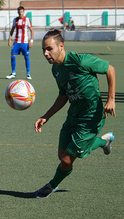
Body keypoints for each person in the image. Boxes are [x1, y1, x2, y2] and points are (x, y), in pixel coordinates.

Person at [33, 29, 116, 198]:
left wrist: (111, 99)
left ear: (61, 46)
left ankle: (51, 186)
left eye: (49, 49)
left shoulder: (80, 60)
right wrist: (46, 116)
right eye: (43, 49)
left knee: (66, 161)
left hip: (91, 117)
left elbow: (111, 69)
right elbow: (63, 95)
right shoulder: (56, 70)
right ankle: (103, 141)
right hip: (73, 115)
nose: (45, 53)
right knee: (62, 155)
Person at [6, 6, 34, 80]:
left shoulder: (27, 20)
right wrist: (9, 39)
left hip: (25, 42)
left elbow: (31, 30)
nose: (20, 13)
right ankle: (13, 73)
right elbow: (12, 29)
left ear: (23, 12)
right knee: (12, 56)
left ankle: (28, 74)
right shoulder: (15, 20)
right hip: (16, 41)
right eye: (19, 12)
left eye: (21, 12)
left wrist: (31, 40)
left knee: (26, 57)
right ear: (17, 12)